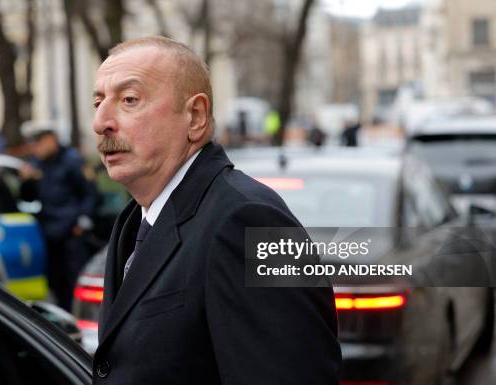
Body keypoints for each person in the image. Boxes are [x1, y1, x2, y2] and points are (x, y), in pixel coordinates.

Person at [91, 36, 341, 384]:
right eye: (98, 102)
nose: (101, 122)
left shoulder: (250, 221)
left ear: (195, 116)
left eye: (129, 100)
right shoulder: (133, 223)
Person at [20, 128, 98, 311]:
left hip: (71, 231)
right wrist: (26, 181)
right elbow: (27, 198)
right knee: (54, 280)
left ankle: (79, 317)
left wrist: (82, 222)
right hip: (48, 231)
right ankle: (64, 316)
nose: (37, 147)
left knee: (75, 279)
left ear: (52, 140)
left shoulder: (72, 160)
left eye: (40, 142)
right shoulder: (37, 164)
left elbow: (90, 194)